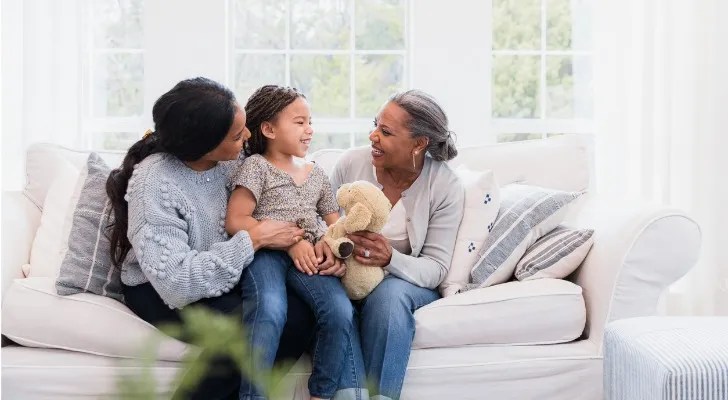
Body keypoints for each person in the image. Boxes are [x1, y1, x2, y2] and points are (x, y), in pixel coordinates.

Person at [105, 77, 315, 400]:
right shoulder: (155, 182)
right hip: (160, 287)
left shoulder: (236, 159)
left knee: (297, 315)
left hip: (224, 277)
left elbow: (283, 198)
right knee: (249, 324)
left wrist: (303, 237)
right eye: (236, 135)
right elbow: (177, 282)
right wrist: (253, 240)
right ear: (203, 145)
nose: (247, 137)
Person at [226, 85, 367, 400]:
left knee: (340, 313)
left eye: (310, 121)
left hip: (311, 258)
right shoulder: (256, 167)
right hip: (266, 254)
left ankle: (322, 393)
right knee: (270, 311)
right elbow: (236, 220)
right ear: (269, 129)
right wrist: (289, 241)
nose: (310, 130)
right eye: (300, 122)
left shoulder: (316, 174)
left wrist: (335, 254)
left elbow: (336, 226)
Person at [330, 90, 465, 400]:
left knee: (388, 297)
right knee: (333, 299)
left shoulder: (444, 185)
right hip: (345, 273)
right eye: (375, 125)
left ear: (418, 144)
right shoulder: (350, 164)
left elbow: (436, 267)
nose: (372, 136)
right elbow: (325, 228)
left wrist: (389, 258)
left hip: (404, 282)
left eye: (386, 132)